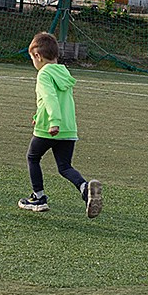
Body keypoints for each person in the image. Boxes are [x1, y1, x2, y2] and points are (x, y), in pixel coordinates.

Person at [20, 31, 102, 217]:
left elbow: (50, 98)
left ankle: (38, 197)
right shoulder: (63, 72)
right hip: (69, 128)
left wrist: (53, 122)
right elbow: (53, 101)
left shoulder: (44, 74)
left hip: (49, 128)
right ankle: (85, 188)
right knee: (64, 166)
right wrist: (38, 114)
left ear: (37, 56)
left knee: (33, 158)